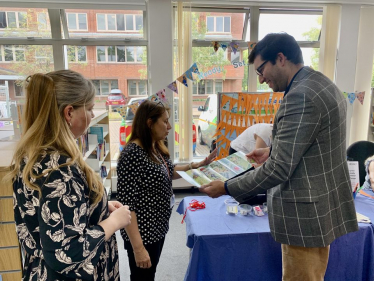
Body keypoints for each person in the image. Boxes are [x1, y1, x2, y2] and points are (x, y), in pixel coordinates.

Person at [200, 33, 358, 280]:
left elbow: (279, 170)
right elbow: (313, 146)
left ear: (281, 58)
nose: (262, 79)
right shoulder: (322, 83)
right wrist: (272, 151)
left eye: (261, 70)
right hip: (319, 210)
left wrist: (227, 187)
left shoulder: (300, 96)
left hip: (304, 217)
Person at [6, 70, 131, 280]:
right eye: (90, 109)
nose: (92, 115)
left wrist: (96, 207)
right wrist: (113, 223)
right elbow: (65, 252)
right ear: (69, 113)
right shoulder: (58, 170)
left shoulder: (33, 155)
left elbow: (50, 215)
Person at [117, 99, 217, 281]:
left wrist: (197, 164)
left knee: (149, 274)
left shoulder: (153, 147)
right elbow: (127, 206)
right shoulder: (132, 155)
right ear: (149, 123)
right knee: (142, 277)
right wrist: (138, 249)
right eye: (164, 121)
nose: (169, 126)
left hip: (157, 229)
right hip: (143, 235)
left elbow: (169, 171)